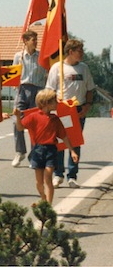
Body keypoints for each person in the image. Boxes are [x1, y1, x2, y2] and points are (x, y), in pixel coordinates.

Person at [13, 89, 79, 203]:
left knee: (48, 178)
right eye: (54, 101)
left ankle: (48, 206)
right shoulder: (33, 116)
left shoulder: (55, 119)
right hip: (37, 150)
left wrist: (72, 151)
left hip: (51, 150)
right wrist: (18, 117)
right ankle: (43, 197)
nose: (57, 104)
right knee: (39, 182)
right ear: (46, 103)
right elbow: (20, 128)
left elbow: (64, 136)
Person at [45, 39, 95, 188]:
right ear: (71, 51)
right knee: (60, 142)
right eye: (79, 50)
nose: (82, 53)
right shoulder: (57, 68)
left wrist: (87, 106)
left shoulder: (84, 68)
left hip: (78, 109)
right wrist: (54, 102)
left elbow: (90, 89)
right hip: (61, 109)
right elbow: (49, 89)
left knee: (75, 142)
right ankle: (58, 174)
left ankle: (72, 175)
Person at [11, 30, 48, 167]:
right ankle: (20, 151)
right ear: (25, 41)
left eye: (36, 40)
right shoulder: (19, 56)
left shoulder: (41, 57)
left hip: (37, 90)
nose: (36, 42)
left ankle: (35, 154)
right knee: (17, 120)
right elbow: (14, 74)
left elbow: (46, 73)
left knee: (35, 123)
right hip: (22, 90)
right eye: (33, 40)